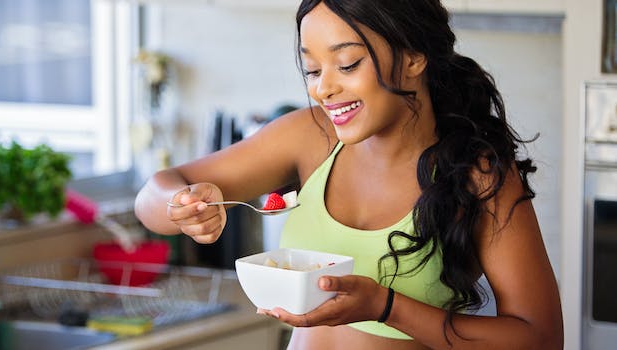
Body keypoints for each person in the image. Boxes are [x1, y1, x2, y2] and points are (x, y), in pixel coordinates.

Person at [134, 0, 564, 348]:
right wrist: (181, 206)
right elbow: (153, 195)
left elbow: (541, 338)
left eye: (348, 64)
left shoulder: (478, 175)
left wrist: (385, 306)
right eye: (313, 70)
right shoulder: (310, 136)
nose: (323, 88)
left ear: (414, 58)